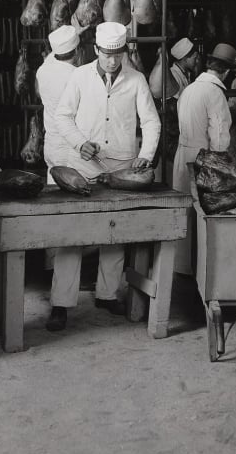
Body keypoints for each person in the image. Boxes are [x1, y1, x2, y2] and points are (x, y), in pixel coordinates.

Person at [46, 21, 160, 332]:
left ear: (124, 52)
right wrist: (80, 143)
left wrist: (145, 155)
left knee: (115, 234)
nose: (112, 61)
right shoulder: (80, 76)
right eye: (106, 55)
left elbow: (150, 121)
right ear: (95, 50)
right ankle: (61, 303)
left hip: (120, 167)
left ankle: (107, 294)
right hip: (82, 167)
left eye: (118, 55)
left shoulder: (136, 80)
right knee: (72, 235)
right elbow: (63, 116)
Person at [172, 42, 236, 276]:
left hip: (183, 154)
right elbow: (219, 137)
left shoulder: (190, 88)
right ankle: (199, 269)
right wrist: (222, 166)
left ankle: (180, 266)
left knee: (183, 212)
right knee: (201, 213)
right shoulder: (214, 93)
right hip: (202, 159)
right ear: (227, 72)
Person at [35, 24, 81, 173]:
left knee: (54, 187)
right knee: (72, 191)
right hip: (70, 147)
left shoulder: (43, 70)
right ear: (77, 51)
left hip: (51, 144)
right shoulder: (77, 76)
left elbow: (53, 57)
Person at [149, 37, 199, 102]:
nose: (197, 61)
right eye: (195, 58)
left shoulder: (187, 73)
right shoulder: (174, 75)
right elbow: (173, 101)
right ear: (185, 58)